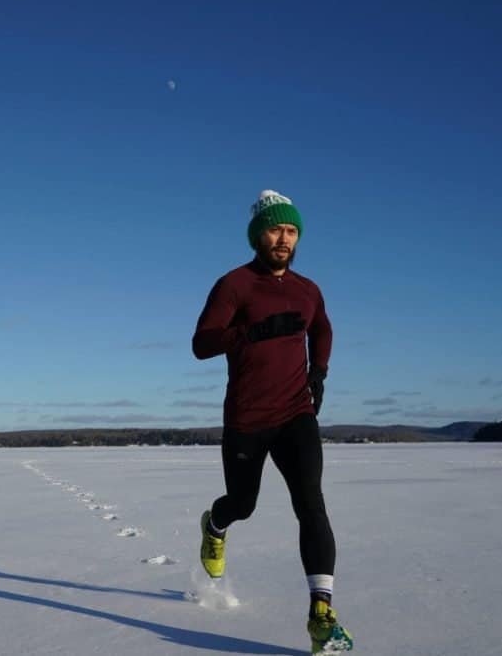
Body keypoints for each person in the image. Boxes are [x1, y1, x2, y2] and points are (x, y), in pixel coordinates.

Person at [191, 189, 352, 654]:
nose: (285, 238)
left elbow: (321, 325)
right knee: (243, 504)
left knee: (311, 504)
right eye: (276, 229)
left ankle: (321, 614)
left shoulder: (307, 290)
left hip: (296, 413)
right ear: (258, 235)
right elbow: (202, 343)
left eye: (292, 230)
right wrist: (251, 332)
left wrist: (319, 371)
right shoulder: (234, 285)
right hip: (246, 418)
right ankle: (215, 526)